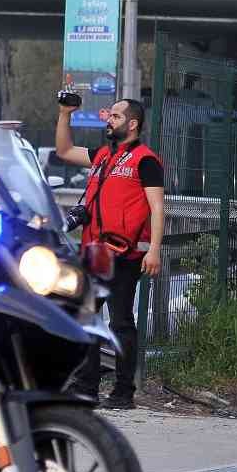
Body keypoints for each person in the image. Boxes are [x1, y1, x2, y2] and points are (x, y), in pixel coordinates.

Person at [55, 93, 165, 409]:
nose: (108, 120)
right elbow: (63, 150)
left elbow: (158, 208)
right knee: (86, 318)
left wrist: (154, 250)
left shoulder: (145, 160)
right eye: (109, 115)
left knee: (119, 322)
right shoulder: (104, 155)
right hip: (94, 252)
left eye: (115, 116)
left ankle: (123, 392)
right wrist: (65, 114)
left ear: (132, 124)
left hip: (125, 253)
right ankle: (86, 387)